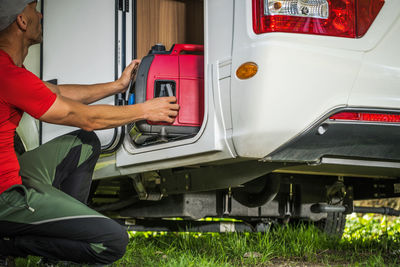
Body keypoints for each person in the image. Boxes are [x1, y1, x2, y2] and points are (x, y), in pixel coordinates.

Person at [0, 0, 179, 265]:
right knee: (111, 241)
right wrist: (144, 110)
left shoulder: (11, 70)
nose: (40, 14)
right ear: (22, 22)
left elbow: (59, 93)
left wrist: (117, 86)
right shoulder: (7, 74)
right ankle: (10, 243)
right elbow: (83, 118)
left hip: (12, 172)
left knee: (84, 144)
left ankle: (57, 244)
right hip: (4, 197)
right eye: (33, 9)